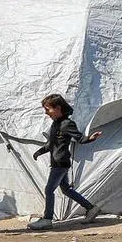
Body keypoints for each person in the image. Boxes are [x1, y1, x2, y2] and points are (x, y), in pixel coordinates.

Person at [28, 94, 102, 230]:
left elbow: (80, 139)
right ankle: (90, 208)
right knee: (66, 190)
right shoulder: (55, 124)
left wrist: (91, 138)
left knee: (49, 189)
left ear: (58, 108)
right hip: (57, 163)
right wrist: (39, 152)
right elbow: (50, 144)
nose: (46, 113)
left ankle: (47, 219)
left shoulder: (67, 124)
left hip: (60, 164)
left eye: (47, 109)